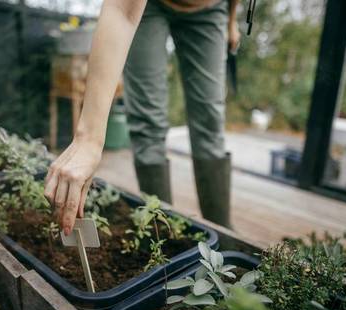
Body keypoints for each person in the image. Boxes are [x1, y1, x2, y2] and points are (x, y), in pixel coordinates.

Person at [44, 0, 240, 237]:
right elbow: (122, 10)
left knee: (209, 118)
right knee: (148, 122)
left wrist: (231, 21)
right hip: (149, 6)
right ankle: (161, 235)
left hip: (211, 8)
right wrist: (88, 139)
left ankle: (223, 235)